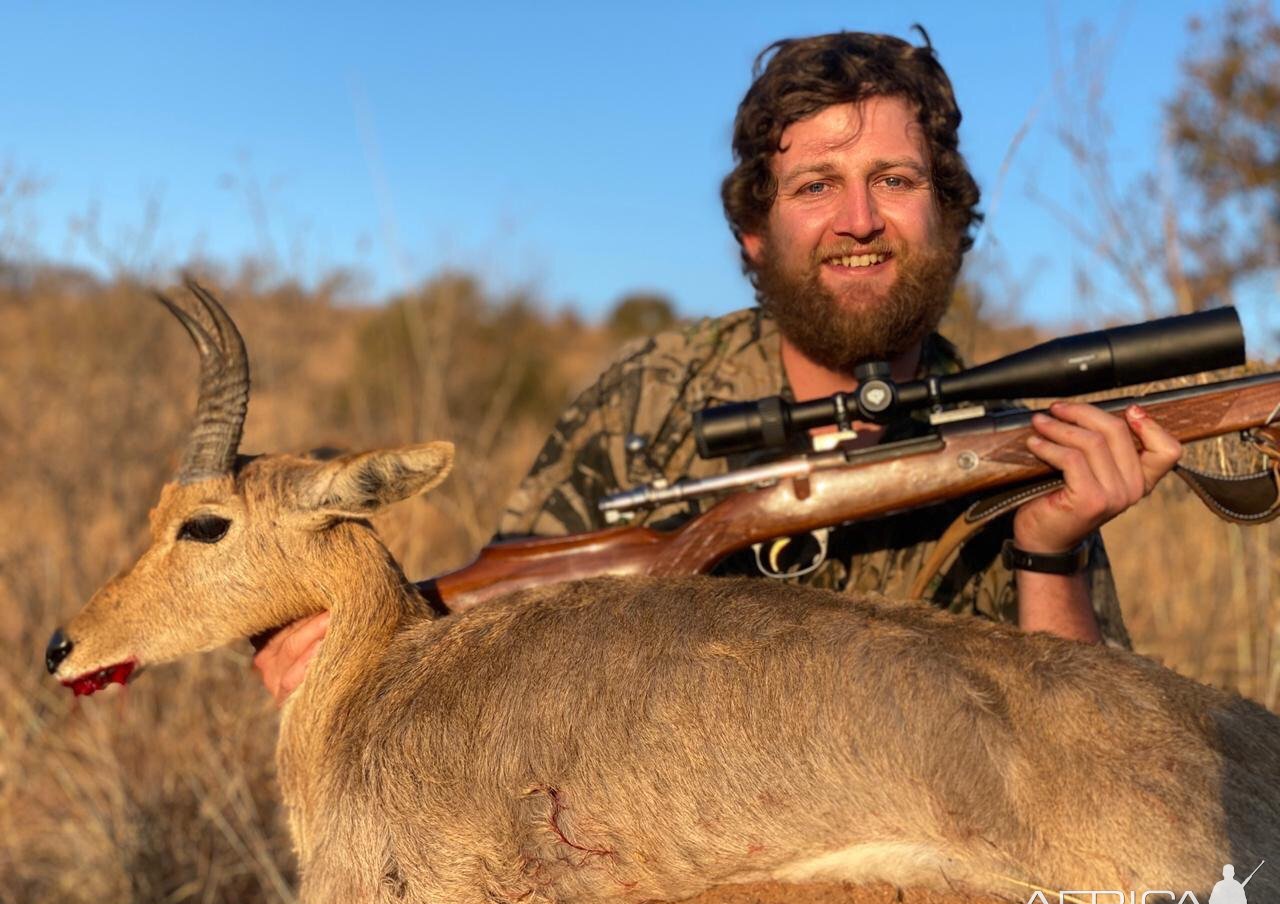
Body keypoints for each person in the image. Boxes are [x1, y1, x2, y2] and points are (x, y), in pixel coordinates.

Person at [254, 30, 1182, 706]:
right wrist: (366, 637)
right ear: (753, 233)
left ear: (947, 216)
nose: (860, 218)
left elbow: (1087, 759)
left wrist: (1048, 548)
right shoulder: (654, 395)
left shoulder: (1023, 439)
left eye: (895, 180)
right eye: (817, 186)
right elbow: (502, 619)